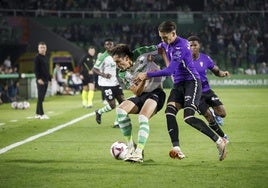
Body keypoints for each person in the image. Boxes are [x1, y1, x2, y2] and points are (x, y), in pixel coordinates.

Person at [136, 21, 227, 161]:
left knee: (188, 117)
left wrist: (146, 75)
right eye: (161, 37)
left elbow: (169, 71)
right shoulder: (166, 43)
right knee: (169, 112)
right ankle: (177, 148)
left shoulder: (182, 46)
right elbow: (154, 48)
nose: (163, 40)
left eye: (165, 37)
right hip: (178, 85)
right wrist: (143, 55)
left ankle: (219, 141)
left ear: (173, 33)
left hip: (191, 82)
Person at [109, 44, 166, 163]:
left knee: (142, 117)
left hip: (157, 93)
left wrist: (167, 64)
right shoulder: (122, 73)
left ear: (126, 57)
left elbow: (163, 48)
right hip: (142, 95)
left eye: (118, 61)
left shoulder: (142, 52)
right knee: (120, 110)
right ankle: (130, 147)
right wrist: (143, 79)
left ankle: (139, 152)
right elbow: (136, 92)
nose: (117, 65)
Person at [188, 35, 229, 141]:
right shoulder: (184, 60)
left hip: (207, 91)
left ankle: (214, 112)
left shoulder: (205, 58)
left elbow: (216, 71)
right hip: (195, 94)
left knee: (222, 113)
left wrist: (223, 73)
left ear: (199, 46)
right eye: (190, 45)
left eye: (195, 45)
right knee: (208, 116)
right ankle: (223, 136)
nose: (193, 47)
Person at [93, 39, 125, 128]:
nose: (109, 46)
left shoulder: (116, 55)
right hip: (105, 84)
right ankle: (99, 112)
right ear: (105, 46)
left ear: (114, 46)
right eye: (107, 45)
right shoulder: (103, 57)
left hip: (115, 82)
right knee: (112, 105)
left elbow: (119, 66)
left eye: (111, 44)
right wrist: (104, 74)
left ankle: (117, 123)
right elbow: (94, 69)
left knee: (123, 102)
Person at [34, 41, 51, 119]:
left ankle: (37, 113)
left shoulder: (46, 57)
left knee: (42, 98)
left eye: (44, 47)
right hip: (41, 80)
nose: (42, 49)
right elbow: (36, 69)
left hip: (46, 80)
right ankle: (42, 114)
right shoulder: (37, 57)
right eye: (41, 47)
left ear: (46, 48)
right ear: (38, 48)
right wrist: (38, 79)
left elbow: (47, 69)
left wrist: (50, 79)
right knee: (40, 97)